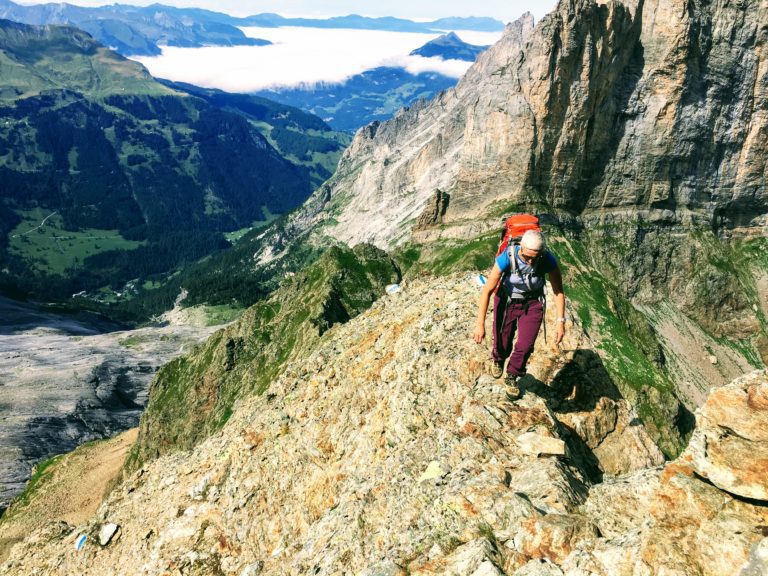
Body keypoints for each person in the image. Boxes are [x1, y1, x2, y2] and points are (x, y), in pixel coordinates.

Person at [473, 229, 565, 399]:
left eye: (535, 257)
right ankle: (499, 359)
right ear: (520, 248)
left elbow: (558, 290)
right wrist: (480, 324)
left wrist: (561, 321)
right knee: (502, 338)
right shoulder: (507, 257)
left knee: (526, 344)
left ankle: (512, 374)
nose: (530, 262)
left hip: (533, 303)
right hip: (507, 300)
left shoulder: (547, 259)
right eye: (527, 257)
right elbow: (487, 291)